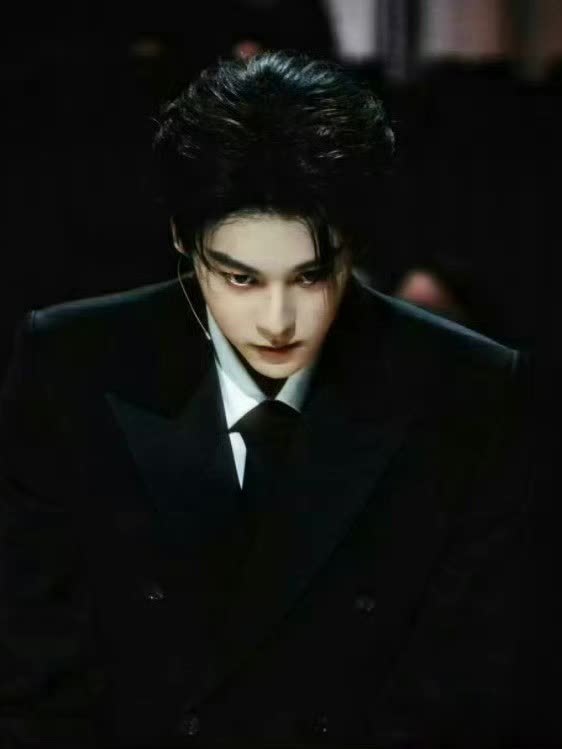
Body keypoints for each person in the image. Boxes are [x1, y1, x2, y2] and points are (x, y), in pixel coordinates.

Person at [0, 51, 530, 747]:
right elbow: (36, 672)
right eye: (240, 278)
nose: (278, 322)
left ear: (356, 246)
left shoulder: (466, 386)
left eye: (312, 276)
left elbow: (468, 688)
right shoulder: (72, 364)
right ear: (183, 240)